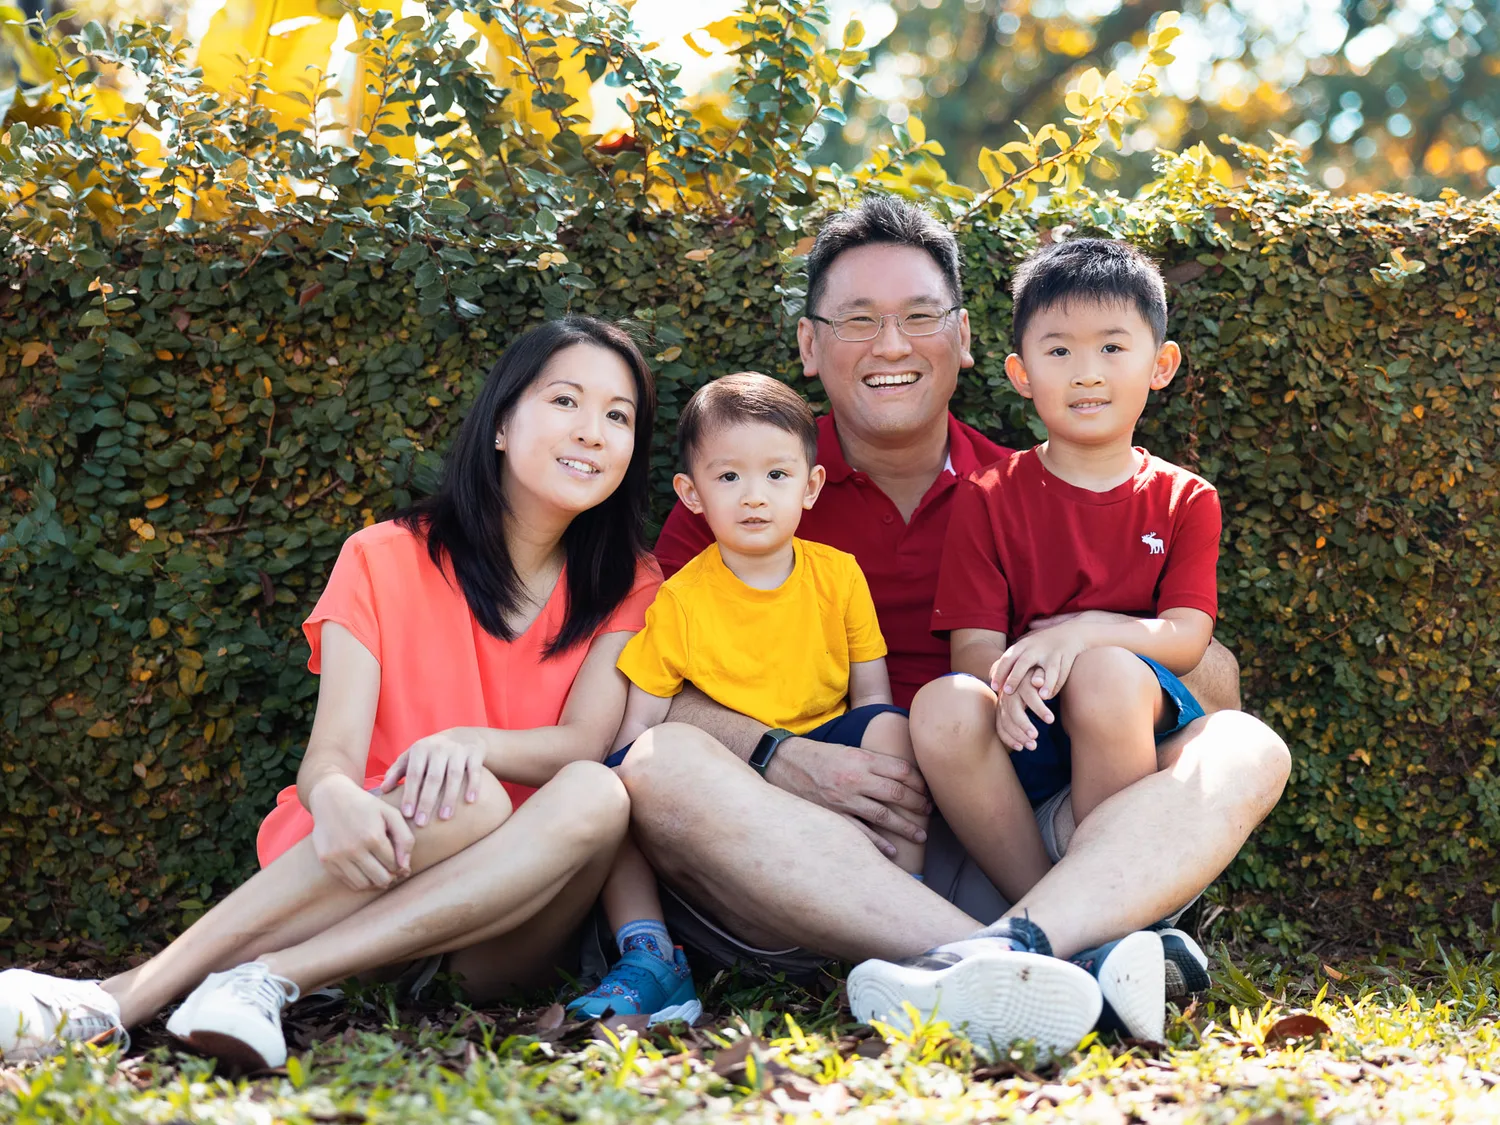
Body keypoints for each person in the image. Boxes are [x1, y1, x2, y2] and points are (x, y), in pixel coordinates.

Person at [617, 195, 1290, 1059]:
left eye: (919, 316)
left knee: (1243, 740)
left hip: (1006, 832)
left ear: (966, 338)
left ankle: (1005, 952)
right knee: (658, 765)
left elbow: (1188, 661)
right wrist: (780, 753)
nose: (892, 345)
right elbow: (640, 684)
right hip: (815, 845)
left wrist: (1098, 649)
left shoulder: (1020, 490)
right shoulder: (746, 483)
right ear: (809, 346)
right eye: (858, 320)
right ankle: (1050, 953)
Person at [0, 316, 661, 1070]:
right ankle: (119, 999)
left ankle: (270, 978)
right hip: (364, 866)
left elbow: (583, 743)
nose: (592, 432)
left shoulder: (630, 582)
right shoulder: (383, 557)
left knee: (595, 792)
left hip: (500, 922)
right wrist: (338, 796)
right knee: (467, 798)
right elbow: (330, 757)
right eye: (566, 400)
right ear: (502, 424)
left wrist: (468, 741)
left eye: (618, 416)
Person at [896, 238, 1222, 1041]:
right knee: (941, 705)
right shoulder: (988, 495)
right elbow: (973, 648)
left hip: (1132, 724)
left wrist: (1084, 632)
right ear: (1020, 373)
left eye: (1112, 347)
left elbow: (1188, 636)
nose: (1086, 373)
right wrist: (1008, 684)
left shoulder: (1185, 498)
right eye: (1059, 351)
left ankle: (1095, 919)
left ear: (1160, 364)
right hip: (1032, 728)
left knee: (1107, 672)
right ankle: (1069, 932)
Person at [566, 372, 919, 1024]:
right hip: (731, 780)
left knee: (892, 731)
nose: (754, 496)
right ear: (691, 494)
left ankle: (903, 910)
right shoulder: (681, 599)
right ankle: (649, 952)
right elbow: (638, 726)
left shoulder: (838, 575)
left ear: (810, 485)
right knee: (621, 779)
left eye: (777, 475)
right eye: (728, 477)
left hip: (828, 758)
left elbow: (872, 696)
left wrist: (856, 761)